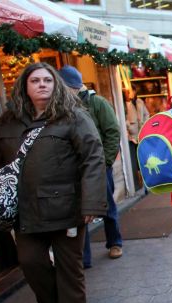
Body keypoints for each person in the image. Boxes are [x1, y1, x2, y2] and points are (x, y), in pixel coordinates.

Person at [0, 62, 106, 303]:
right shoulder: (9, 120)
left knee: (70, 267)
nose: (42, 84)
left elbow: (93, 159)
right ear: (24, 86)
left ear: (56, 85)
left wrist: (91, 204)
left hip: (66, 206)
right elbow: (1, 164)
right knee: (31, 263)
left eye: (48, 80)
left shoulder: (74, 116)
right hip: (26, 209)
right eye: (35, 80)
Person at [58, 66, 124, 267]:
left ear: (75, 87)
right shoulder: (60, 107)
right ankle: (84, 257)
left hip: (98, 166)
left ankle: (115, 242)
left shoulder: (97, 103)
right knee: (79, 212)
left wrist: (106, 162)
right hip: (74, 169)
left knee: (106, 205)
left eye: (66, 87)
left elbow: (113, 132)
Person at [123, 88, 150, 192]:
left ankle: (146, 182)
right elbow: (123, 120)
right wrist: (129, 129)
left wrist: (145, 124)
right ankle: (139, 184)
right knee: (136, 161)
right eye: (128, 92)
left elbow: (146, 114)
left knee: (144, 158)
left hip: (142, 134)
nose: (130, 93)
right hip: (132, 137)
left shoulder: (139, 102)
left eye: (132, 91)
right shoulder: (124, 105)